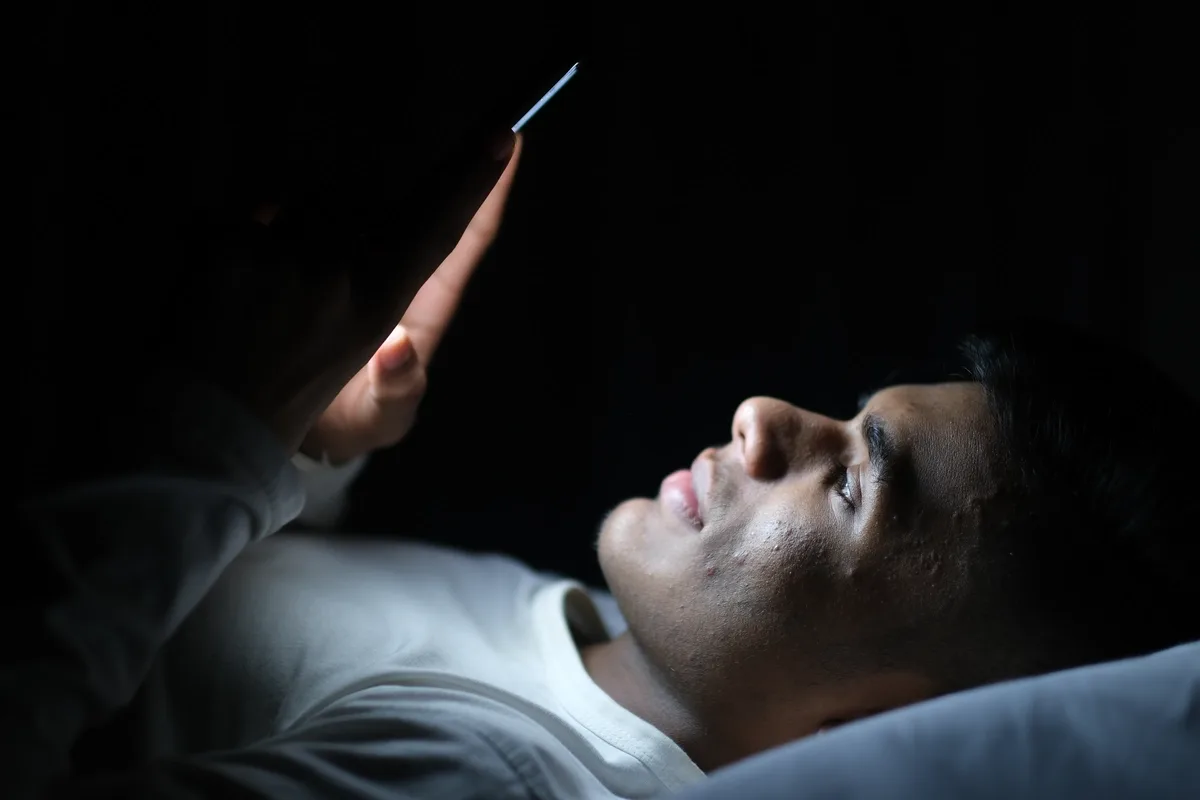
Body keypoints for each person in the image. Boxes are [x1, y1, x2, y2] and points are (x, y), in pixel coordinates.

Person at [12, 120, 1200, 795]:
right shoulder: (562, 632)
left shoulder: (490, 777)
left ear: (869, 726)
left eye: (849, 483)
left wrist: (218, 429)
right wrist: (309, 452)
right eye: (841, 416)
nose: (760, 415)